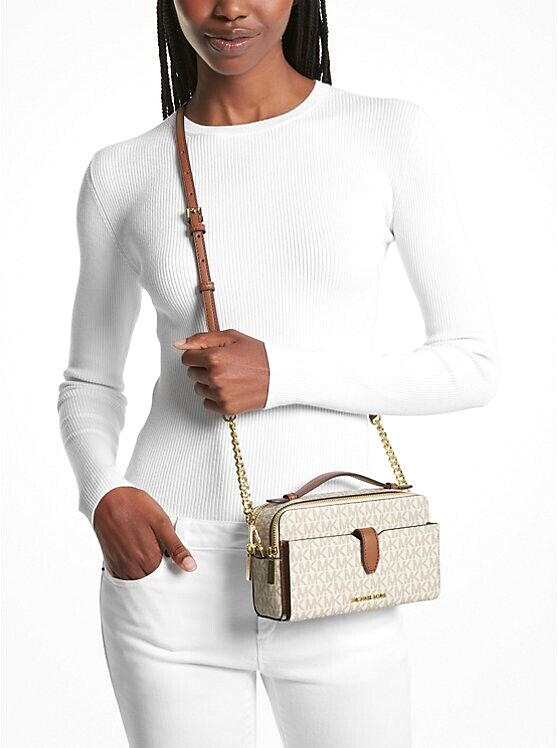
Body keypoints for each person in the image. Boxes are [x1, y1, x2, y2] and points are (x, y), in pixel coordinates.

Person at [56, 0, 500, 746]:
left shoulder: (386, 131)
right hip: (171, 564)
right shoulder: (122, 171)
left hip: (339, 557)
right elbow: (89, 382)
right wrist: (102, 493)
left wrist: (283, 374)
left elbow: (471, 363)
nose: (230, 8)